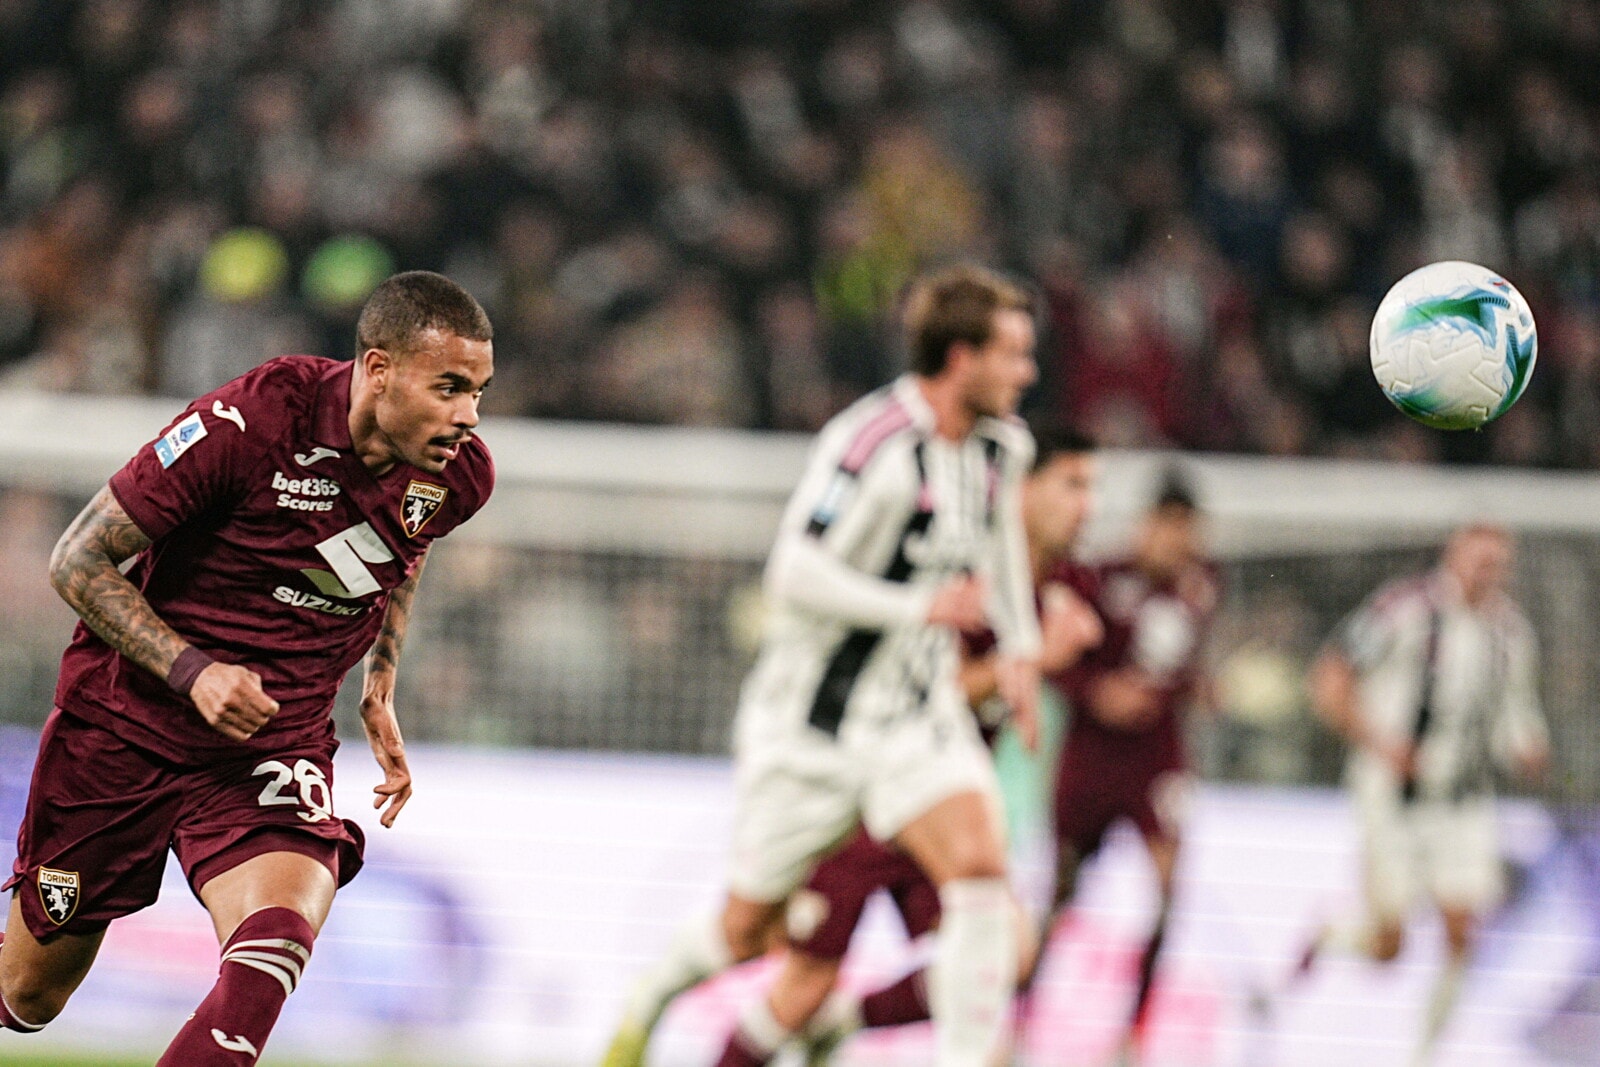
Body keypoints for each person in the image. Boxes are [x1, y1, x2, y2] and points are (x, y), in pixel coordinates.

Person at [0, 271, 495, 1065]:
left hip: (271, 744)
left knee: (274, 946)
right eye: (450, 387)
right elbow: (77, 559)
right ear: (378, 369)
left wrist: (380, 683)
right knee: (28, 996)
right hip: (125, 728)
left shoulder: (457, 474)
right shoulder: (253, 420)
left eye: (477, 391)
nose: (469, 414)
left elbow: (405, 548)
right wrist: (193, 670)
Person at [602, 264, 1044, 1067]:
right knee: (747, 930)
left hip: (916, 717)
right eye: (1012, 353)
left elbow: (1002, 548)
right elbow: (794, 571)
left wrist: (1019, 647)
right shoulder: (872, 444)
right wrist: (918, 607)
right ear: (961, 357)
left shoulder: (1000, 449)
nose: (1028, 371)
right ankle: (650, 999)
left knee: (981, 872)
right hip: (814, 725)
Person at [725, 427, 1102, 1067]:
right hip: (870, 795)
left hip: (941, 809)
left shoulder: (1065, 586)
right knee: (800, 985)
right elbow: (925, 689)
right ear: (1022, 489)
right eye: (1072, 485)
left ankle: (847, 1021)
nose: (1087, 506)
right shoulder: (963, 563)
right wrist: (1034, 659)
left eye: (1091, 489)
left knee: (1006, 954)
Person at [1296, 523, 1547, 1067]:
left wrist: (1529, 749)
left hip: (1463, 801)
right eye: (1479, 560)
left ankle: (1424, 1056)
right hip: (1394, 797)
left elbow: (1516, 714)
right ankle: (1330, 935)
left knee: (1463, 931)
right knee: (1389, 946)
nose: (1487, 573)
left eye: (1497, 564)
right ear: (1453, 556)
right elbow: (1330, 678)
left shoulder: (1511, 632)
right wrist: (1382, 745)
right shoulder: (1402, 609)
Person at [1019, 470, 1219, 1065]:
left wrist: (1194, 688)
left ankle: (1133, 1034)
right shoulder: (1096, 579)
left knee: (1167, 887)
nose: (1178, 543)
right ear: (1146, 526)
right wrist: (1096, 692)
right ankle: (1022, 1018)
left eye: (1188, 531)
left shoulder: (1201, 587)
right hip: (1092, 757)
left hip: (1157, 759)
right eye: (1169, 528)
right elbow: (1051, 658)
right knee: (1061, 894)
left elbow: (1184, 666)